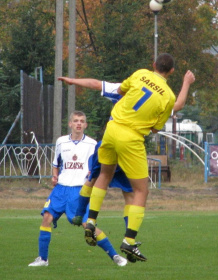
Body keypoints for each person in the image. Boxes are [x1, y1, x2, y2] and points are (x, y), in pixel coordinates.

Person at [81, 53, 195, 262]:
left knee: (104, 175)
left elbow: (122, 90)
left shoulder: (141, 73)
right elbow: (154, 128)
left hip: (112, 128)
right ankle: (130, 241)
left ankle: (91, 221)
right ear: (171, 71)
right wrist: (186, 83)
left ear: (153, 65)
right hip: (131, 137)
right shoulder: (168, 96)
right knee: (141, 190)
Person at [28, 111, 128, 267]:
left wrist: (92, 175)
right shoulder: (61, 142)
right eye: (75, 121)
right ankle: (42, 259)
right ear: (70, 124)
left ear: (85, 125)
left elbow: (99, 166)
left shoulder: (92, 144)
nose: (79, 123)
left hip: (79, 191)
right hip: (60, 189)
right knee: (47, 217)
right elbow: (56, 164)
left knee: (87, 226)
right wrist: (54, 176)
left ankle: (115, 256)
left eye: (82, 121)